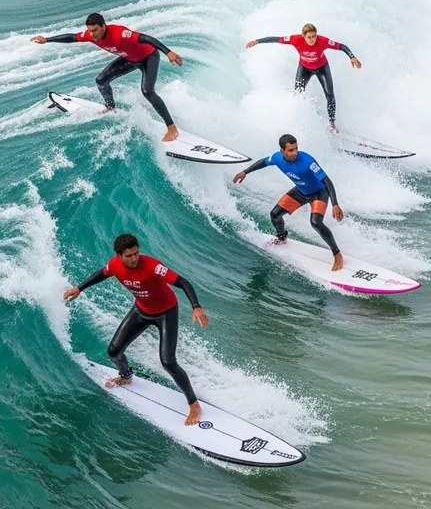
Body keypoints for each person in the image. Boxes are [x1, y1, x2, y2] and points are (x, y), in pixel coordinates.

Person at [63, 233, 209, 425]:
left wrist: (196, 306)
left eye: (136, 253)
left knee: (168, 362)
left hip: (166, 313)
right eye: (128, 256)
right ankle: (126, 376)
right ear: (119, 256)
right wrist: (79, 288)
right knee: (113, 351)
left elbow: (183, 282)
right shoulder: (115, 265)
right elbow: (101, 274)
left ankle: (194, 405)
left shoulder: (152, 266)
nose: (133, 259)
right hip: (141, 311)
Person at [31, 13, 183, 141]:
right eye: (90, 30)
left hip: (149, 56)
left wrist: (168, 52)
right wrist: (47, 39)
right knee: (101, 80)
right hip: (130, 58)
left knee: (147, 91)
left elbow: (147, 38)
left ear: (103, 26)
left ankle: (172, 128)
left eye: (95, 30)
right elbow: (72, 37)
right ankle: (110, 107)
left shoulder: (120, 34)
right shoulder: (90, 36)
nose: (92, 34)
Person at [233, 134, 345, 271]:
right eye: (290, 150)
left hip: (318, 193)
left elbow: (326, 181)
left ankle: (337, 254)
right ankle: (282, 237)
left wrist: (335, 204)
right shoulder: (277, 158)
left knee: (316, 222)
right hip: (301, 191)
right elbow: (264, 162)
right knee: (275, 214)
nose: (294, 153)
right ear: (282, 151)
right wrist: (245, 172)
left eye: (296, 148)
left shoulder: (308, 161)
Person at [245, 23, 361, 130]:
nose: (312, 39)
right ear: (303, 36)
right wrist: (257, 41)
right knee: (298, 94)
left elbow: (341, 46)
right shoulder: (295, 39)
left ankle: (332, 123)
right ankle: (299, 119)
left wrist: (352, 56)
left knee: (330, 95)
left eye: (314, 36)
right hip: (304, 68)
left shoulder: (323, 41)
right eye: (309, 37)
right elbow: (277, 39)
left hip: (321, 68)